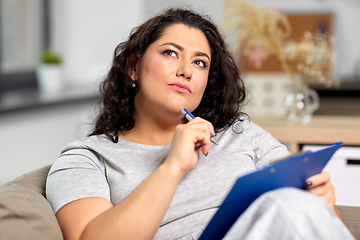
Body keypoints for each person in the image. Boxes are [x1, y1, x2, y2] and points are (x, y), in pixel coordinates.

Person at [46, 8, 354, 240]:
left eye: (199, 62)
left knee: (290, 203)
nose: (186, 71)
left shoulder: (240, 133)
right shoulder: (85, 158)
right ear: (133, 67)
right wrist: (172, 167)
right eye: (170, 53)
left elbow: (318, 224)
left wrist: (324, 201)